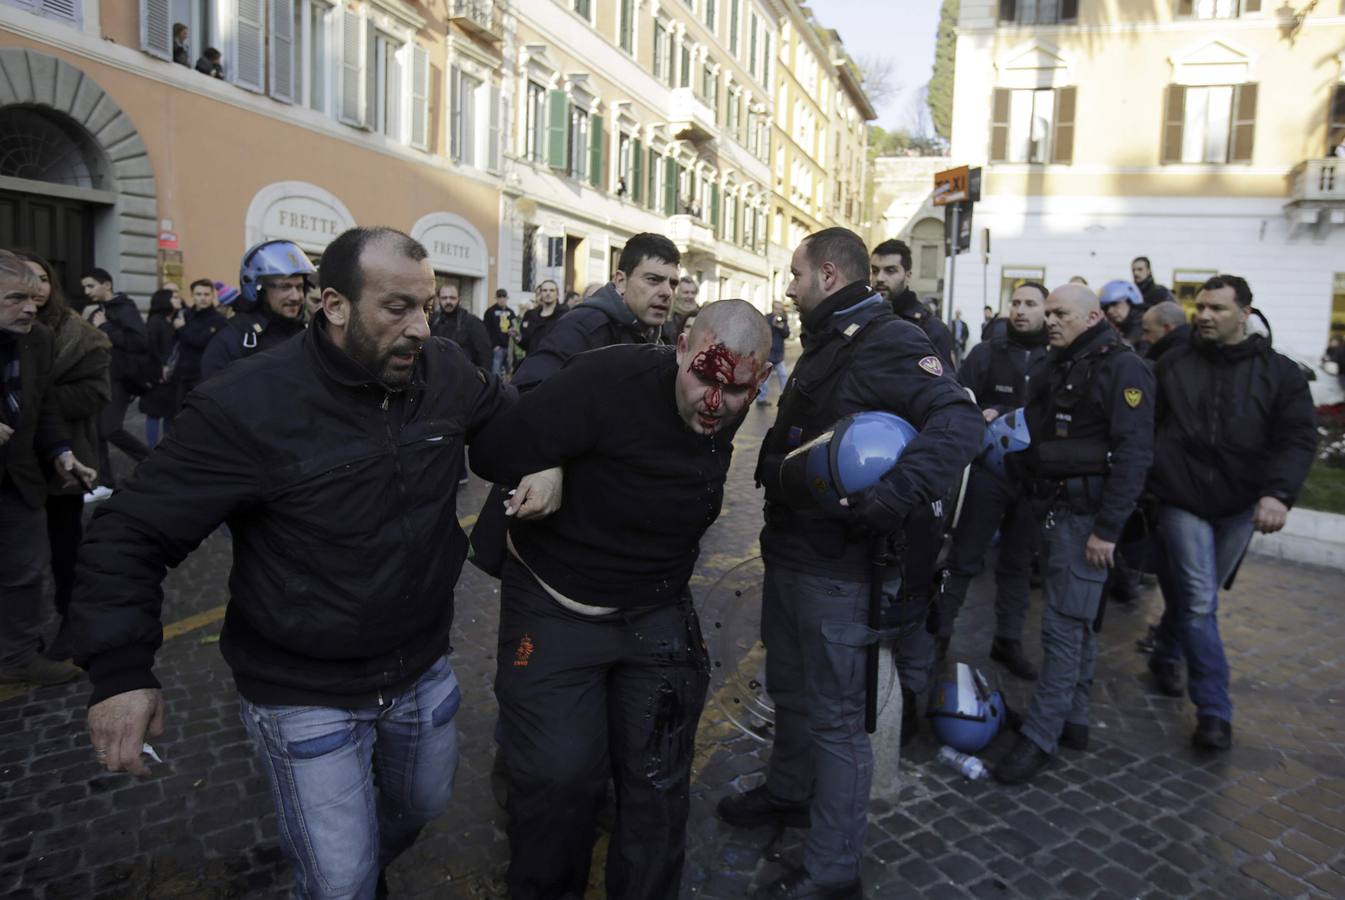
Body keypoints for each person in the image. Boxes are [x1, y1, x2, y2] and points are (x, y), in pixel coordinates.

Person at [68, 227, 514, 897]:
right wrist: (120, 672)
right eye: (398, 308)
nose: (422, 327)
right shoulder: (245, 404)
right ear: (333, 305)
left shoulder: (443, 369)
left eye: (427, 307)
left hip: (422, 667)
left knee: (418, 810)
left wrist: (555, 462)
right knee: (338, 882)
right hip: (304, 693)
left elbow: (509, 427)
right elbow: (130, 531)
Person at [473, 300, 773, 900]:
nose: (713, 404)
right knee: (559, 781)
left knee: (658, 783)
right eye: (703, 379)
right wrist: (548, 459)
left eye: (734, 390)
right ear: (684, 347)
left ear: (759, 380)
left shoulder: (727, 398)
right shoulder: (609, 377)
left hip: (656, 609)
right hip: (558, 607)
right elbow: (492, 450)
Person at [716, 228, 982, 899]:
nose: (788, 286)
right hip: (795, 553)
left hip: (840, 571)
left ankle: (833, 871)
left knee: (836, 721)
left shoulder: (887, 339)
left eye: (796, 274)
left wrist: (894, 495)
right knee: (792, 694)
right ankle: (787, 793)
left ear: (829, 275)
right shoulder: (830, 337)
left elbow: (958, 422)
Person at [1147, 275, 1317, 751]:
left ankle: (1165, 648)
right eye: (1200, 306)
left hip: (1241, 505)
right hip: (1182, 499)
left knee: (1192, 595)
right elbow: (1146, 421)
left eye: (1217, 308)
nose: (1204, 315)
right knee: (1201, 600)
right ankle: (1214, 710)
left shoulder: (1279, 372)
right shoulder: (1173, 363)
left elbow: (1298, 437)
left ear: (1245, 313)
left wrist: (1278, 493)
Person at [994, 284, 1154, 785]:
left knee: (1062, 629)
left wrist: (1107, 531)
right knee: (1077, 624)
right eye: (1051, 312)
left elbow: (1133, 454)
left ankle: (1041, 735)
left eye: (1061, 313)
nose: (1050, 319)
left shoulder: (1123, 368)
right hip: (1061, 509)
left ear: (1090, 318)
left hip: (1087, 520)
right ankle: (1074, 720)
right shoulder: (1064, 361)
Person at [931, 282, 1050, 680]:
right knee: (964, 558)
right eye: (1015, 302)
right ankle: (940, 632)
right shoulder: (986, 354)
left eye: (1030, 304)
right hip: (987, 475)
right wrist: (981, 412)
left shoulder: (1057, 360)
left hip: (1034, 481)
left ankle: (1008, 640)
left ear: (1046, 311)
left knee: (1017, 565)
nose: (1020, 310)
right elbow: (956, 399)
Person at [0, 250, 99, 686]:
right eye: (15, 298)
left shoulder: (37, 338)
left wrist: (62, 453)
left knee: (25, 570)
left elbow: (45, 409)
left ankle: (16, 657)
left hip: (19, 480)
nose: (30, 306)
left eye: (33, 296)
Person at [511, 233, 679, 391]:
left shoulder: (659, 340)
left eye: (673, 284)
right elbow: (529, 391)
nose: (667, 292)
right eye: (653, 280)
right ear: (621, 281)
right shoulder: (583, 326)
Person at [200, 241, 314, 379]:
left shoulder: (306, 332)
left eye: (299, 287)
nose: (296, 297)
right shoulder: (232, 339)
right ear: (260, 290)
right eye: (285, 287)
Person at [81, 267, 151, 486]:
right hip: (101, 378)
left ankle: (154, 461)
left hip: (121, 378)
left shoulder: (123, 308)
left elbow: (140, 342)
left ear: (107, 285)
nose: (86, 291)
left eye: (90, 286)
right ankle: (105, 482)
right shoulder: (99, 309)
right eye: (84, 287)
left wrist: (105, 326)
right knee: (97, 432)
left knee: (109, 429)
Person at [870, 238, 956, 370]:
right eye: (875, 271)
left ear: (908, 276)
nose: (879, 278)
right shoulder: (864, 319)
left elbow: (946, 386)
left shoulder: (932, 330)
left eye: (890, 271)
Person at [139, 289, 181, 448]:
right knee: (154, 414)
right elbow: (150, 349)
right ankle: (152, 449)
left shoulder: (173, 320)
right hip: (158, 376)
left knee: (169, 414)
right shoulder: (156, 321)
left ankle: (165, 449)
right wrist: (160, 368)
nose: (179, 299)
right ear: (165, 301)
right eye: (174, 297)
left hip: (171, 376)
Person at [175, 280, 228, 398]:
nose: (203, 298)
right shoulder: (186, 315)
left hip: (203, 375)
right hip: (181, 374)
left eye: (206, 294)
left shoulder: (218, 320)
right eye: (198, 294)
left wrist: (182, 328)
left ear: (213, 296)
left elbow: (201, 341)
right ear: (192, 295)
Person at [428, 282, 491, 368]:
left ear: (459, 299)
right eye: (444, 298)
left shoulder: (472, 322)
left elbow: (485, 354)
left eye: (452, 298)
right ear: (439, 299)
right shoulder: (432, 320)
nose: (448, 301)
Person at [517, 279, 567, 355]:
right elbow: (526, 344)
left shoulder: (564, 315)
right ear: (540, 293)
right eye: (544, 290)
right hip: (532, 360)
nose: (548, 293)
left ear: (557, 294)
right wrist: (517, 338)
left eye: (552, 290)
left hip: (554, 362)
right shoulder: (530, 315)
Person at [756, 299, 790, 406]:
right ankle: (761, 399)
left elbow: (786, 334)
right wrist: (772, 324)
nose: (779, 311)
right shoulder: (767, 318)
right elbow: (762, 333)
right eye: (777, 309)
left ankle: (786, 398)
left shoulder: (783, 319)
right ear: (773, 308)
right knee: (765, 378)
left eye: (781, 309)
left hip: (779, 354)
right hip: (768, 353)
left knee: (783, 375)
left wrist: (781, 328)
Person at [1099, 279, 1146, 352]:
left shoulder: (1143, 328)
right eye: (1106, 307)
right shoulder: (1119, 328)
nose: (1109, 311)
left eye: (1114, 304)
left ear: (1130, 302)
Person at [483, 288, 516, 379]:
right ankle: (496, 392)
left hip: (509, 347)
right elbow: (486, 330)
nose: (502, 299)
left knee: (510, 373)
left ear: (507, 298)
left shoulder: (511, 312)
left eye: (504, 297)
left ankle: (509, 391)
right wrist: (493, 345)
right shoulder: (490, 312)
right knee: (496, 374)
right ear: (496, 298)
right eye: (499, 297)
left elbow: (515, 326)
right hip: (497, 348)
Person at [661, 275, 701, 342]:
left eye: (693, 292)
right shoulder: (667, 315)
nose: (690, 296)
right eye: (686, 292)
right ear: (677, 293)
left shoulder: (703, 314)